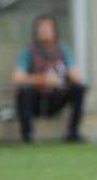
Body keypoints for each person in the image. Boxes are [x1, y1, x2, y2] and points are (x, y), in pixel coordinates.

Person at [12, 15, 86, 143]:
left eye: (48, 28)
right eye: (41, 29)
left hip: (56, 98)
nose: (45, 31)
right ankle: (27, 135)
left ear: (54, 31)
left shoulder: (63, 49)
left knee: (79, 88)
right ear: (36, 32)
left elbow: (76, 76)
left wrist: (63, 76)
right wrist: (44, 79)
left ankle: (73, 133)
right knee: (23, 90)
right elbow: (17, 78)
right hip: (35, 99)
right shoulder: (28, 50)